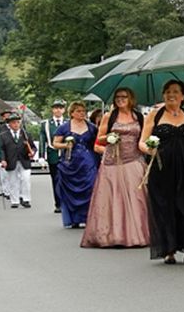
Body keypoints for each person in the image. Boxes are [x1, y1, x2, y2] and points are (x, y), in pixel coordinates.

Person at [138, 80, 184, 264]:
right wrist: (149, 149)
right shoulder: (155, 115)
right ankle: (168, 249)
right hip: (162, 167)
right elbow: (142, 142)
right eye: (168, 91)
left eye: (176, 91)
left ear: (183, 96)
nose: (171, 95)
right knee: (165, 207)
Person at [82, 87, 150, 248]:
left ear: (131, 98)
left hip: (134, 160)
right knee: (113, 197)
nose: (120, 99)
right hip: (112, 162)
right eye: (118, 97)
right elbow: (99, 138)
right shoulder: (109, 116)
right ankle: (112, 235)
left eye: (124, 96)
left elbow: (143, 138)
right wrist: (110, 137)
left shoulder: (139, 117)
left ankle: (137, 234)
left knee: (137, 198)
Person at [52, 101, 98, 229]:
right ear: (72, 113)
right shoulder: (64, 127)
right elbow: (55, 143)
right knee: (70, 190)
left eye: (83, 111)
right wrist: (66, 145)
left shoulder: (91, 127)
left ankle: (87, 217)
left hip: (88, 161)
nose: (82, 113)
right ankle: (73, 219)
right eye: (78, 111)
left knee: (90, 186)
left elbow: (96, 142)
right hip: (70, 162)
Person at [0, 112, 35, 209]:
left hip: (24, 160)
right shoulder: (3, 136)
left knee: (26, 179)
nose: (16, 124)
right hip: (11, 161)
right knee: (13, 181)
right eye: (13, 122)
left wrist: (32, 152)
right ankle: (15, 200)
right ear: (9, 124)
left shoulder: (26, 134)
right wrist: (2, 159)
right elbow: (1, 149)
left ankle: (26, 199)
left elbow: (33, 147)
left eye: (18, 122)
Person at [40, 100, 68, 212]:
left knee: (68, 179)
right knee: (56, 180)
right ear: (52, 109)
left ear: (64, 110)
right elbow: (42, 140)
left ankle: (67, 202)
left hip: (67, 155)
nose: (58, 110)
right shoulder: (46, 124)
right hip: (53, 155)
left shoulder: (68, 122)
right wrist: (41, 156)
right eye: (56, 108)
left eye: (60, 108)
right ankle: (58, 204)